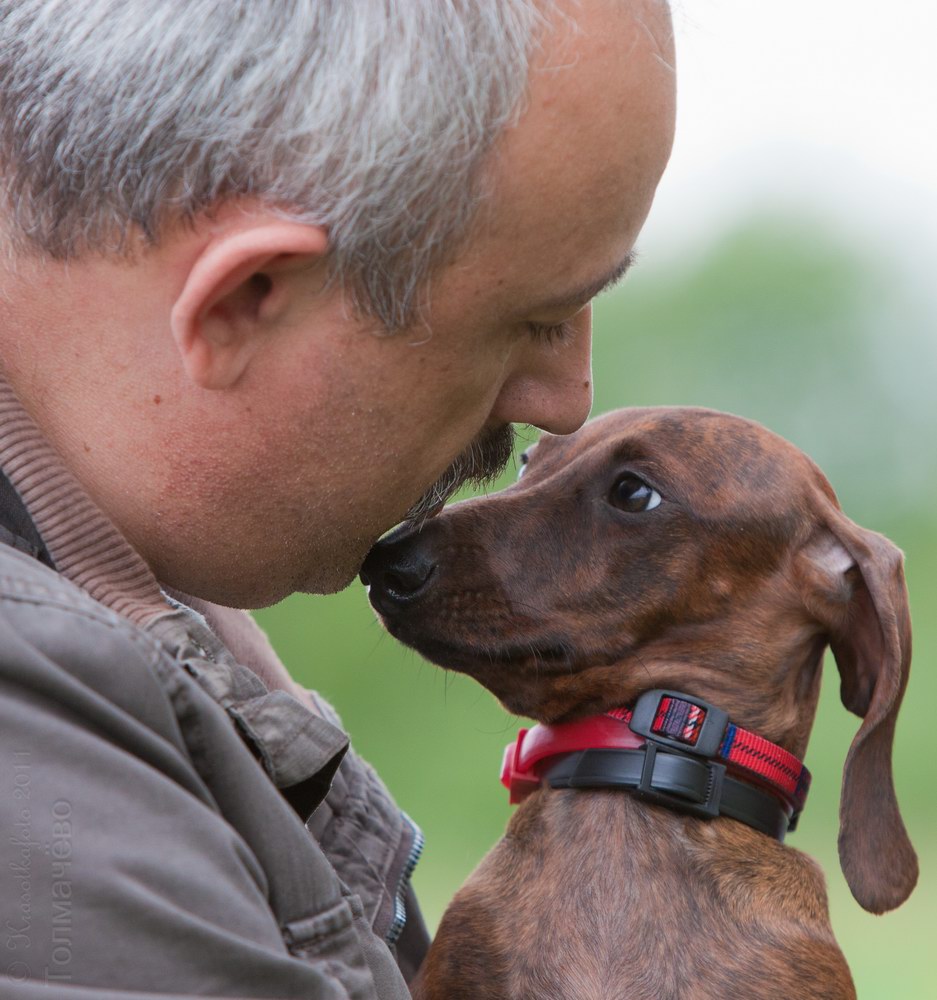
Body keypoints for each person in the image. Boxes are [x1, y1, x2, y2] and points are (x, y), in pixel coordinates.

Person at [0, 0, 675, 996]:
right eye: (530, 320)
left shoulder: (136, 597)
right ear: (250, 297)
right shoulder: (42, 753)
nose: (565, 401)